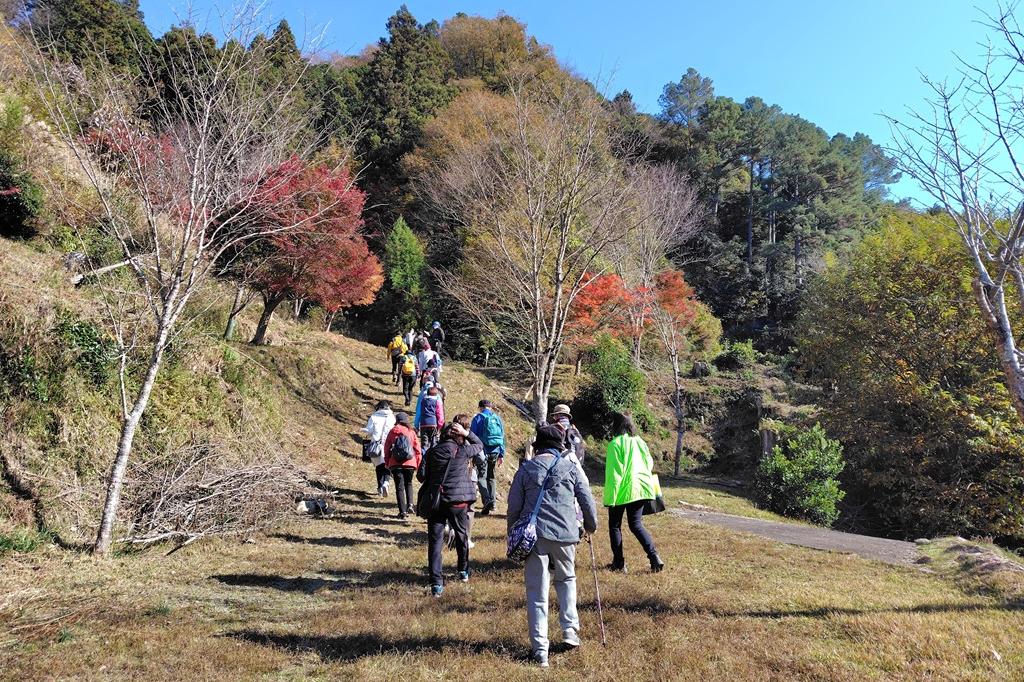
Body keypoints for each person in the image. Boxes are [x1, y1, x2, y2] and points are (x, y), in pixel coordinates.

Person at [507, 425, 598, 668]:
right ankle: (570, 631)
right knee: (567, 580)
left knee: (537, 592)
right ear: (560, 445)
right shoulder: (571, 467)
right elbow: (586, 499)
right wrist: (591, 526)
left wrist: (513, 534)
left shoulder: (526, 469)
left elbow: (514, 507)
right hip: (566, 534)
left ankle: (540, 651)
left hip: (534, 536)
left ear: (537, 446)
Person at [418, 415, 482, 597]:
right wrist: (467, 433)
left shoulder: (432, 451)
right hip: (458, 501)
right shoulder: (463, 451)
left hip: (436, 501)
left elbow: (421, 476)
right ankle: (463, 571)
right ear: (458, 436)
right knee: (461, 536)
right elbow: (480, 445)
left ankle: (436, 584)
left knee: (435, 543)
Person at [604, 412, 664, 573]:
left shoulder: (615, 444)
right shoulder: (640, 442)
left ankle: (619, 564)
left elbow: (614, 474)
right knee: (636, 525)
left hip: (623, 490)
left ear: (616, 426)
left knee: (615, 526)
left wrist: (610, 498)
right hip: (642, 488)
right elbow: (649, 464)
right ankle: (654, 557)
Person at [384, 411, 422, 519]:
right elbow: (418, 449)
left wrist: (387, 463)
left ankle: (402, 512)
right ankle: (410, 504)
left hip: (395, 463)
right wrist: (418, 464)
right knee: (408, 484)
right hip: (410, 463)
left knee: (399, 487)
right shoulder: (411, 432)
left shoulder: (393, 431)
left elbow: (386, 449)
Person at [470, 399, 505, 515]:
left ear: (480, 407)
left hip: (482, 451)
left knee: (481, 476)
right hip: (495, 451)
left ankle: (487, 501)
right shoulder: (497, 418)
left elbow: (472, 436)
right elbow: (502, 437)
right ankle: (493, 503)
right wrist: (501, 454)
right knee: (491, 477)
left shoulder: (478, 418)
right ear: (490, 407)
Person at [361, 400, 396, 497]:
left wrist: (363, 430)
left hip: (376, 445)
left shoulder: (374, 416)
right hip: (388, 445)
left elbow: (369, 431)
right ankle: (386, 482)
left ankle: (380, 487)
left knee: (378, 467)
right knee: (387, 465)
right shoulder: (391, 417)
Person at [415, 384, 445, 451]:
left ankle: (424, 458)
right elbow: (440, 415)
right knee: (433, 443)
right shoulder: (437, 402)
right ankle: (432, 459)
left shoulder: (423, 401)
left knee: (424, 444)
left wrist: (416, 425)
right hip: (433, 424)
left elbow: (418, 413)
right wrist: (440, 427)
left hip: (423, 424)